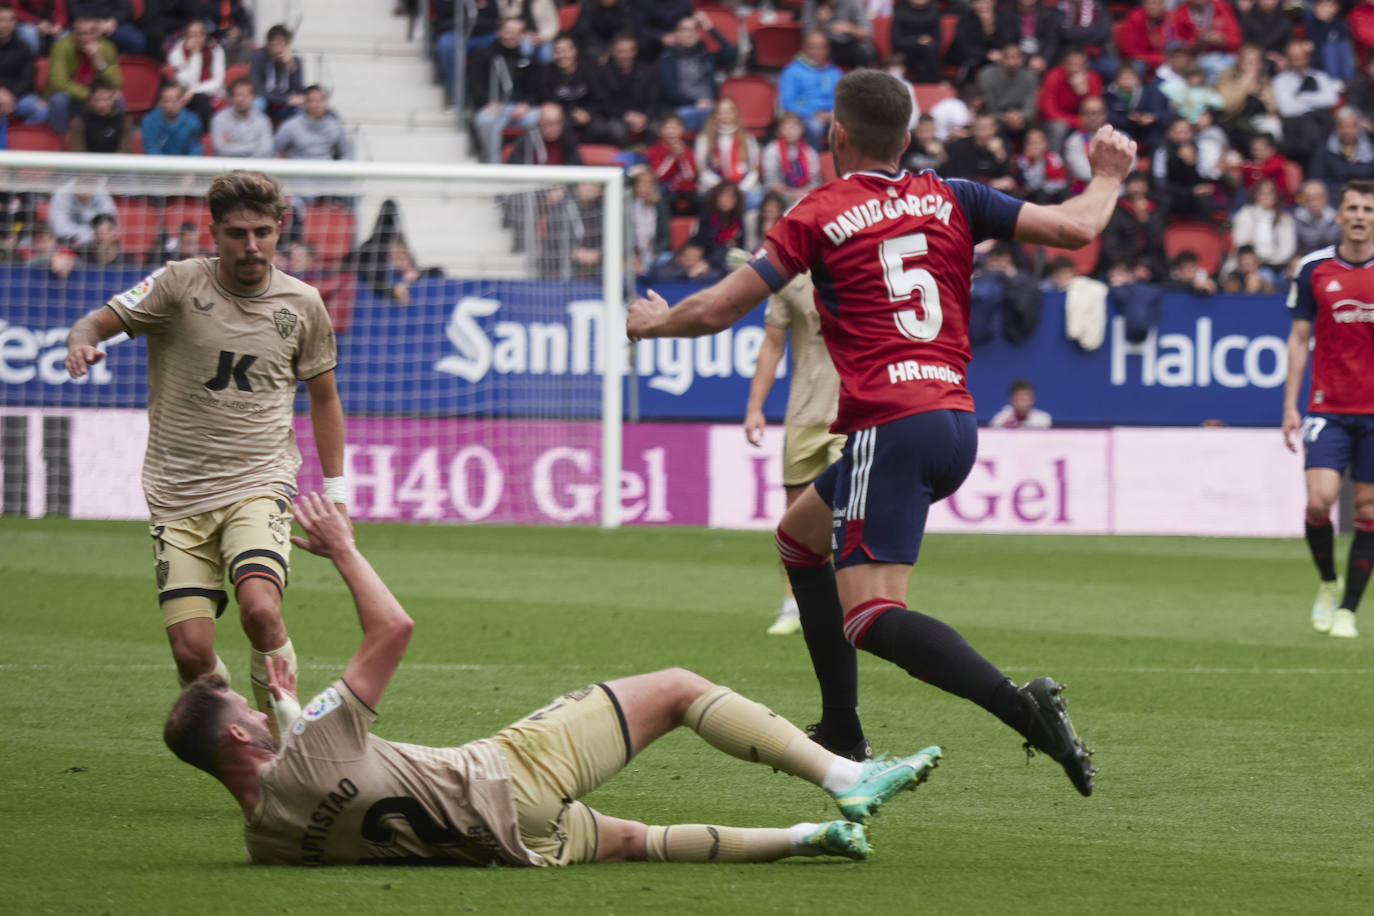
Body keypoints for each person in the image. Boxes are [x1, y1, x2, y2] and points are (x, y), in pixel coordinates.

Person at [626, 69, 1134, 794]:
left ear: (836, 135)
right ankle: (841, 727)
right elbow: (1078, 227)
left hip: (890, 427)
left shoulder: (818, 212)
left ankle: (1028, 712)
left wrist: (653, 322)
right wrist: (1109, 174)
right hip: (954, 420)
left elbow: (715, 309)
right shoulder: (953, 196)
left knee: (869, 615)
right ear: (907, 139)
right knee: (798, 540)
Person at [164, 492, 942, 866]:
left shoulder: (266, 843)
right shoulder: (306, 750)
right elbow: (392, 631)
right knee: (673, 686)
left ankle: (812, 839)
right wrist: (341, 550)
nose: (260, 716)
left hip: (500, 845)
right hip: (506, 773)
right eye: (246, 709)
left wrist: (286, 698)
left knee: (638, 843)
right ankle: (845, 776)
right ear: (239, 733)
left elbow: (307, 765)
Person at [64, 170, 347, 732]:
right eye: (238, 233)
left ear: (279, 230)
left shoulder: (303, 303)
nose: (251, 246)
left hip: (259, 482)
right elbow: (93, 323)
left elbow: (325, 399)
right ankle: (243, 730)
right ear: (213, 233)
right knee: (192, 654)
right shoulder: (177, 284)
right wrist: (81, 345)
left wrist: (336, 496)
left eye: (263, 233)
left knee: (262, 609)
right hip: (178, 495)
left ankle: (283, 740)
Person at [1283, 179, 1374, 640]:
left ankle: (1349, 611)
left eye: (1369, 209)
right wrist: (1289, 406)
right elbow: (1299, 339)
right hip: (1328, 407)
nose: (1360, 216)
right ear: (1339, 214)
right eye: (1353, 208)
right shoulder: (1314, 268)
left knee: (1369, 508)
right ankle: (1327, 583)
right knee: (1319, 502)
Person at [744, 269, 845, 636]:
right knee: (795, 520)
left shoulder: (862, 264)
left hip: (850, 412)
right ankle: (794, 606)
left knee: (847, 513)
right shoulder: (790, 279)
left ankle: (849, 605)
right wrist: (755, 406)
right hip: (803, 415)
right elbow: (772, 344)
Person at [657, 12, 736, 133]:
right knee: (711, 117)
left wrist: (710, 28)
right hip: (684, 108)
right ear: (677, 33)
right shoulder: (667, 58)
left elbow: (731, 54)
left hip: (710, 107)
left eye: (695, 29)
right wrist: (696, 103)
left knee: (724, 114)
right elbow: (670, 91)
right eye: (685, 29)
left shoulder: (705, 54)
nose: (691, 33)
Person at [44, 15, 122, 137]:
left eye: (90, 33)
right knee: (59, 100)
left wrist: (99, 62)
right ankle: (60, 141)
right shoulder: (61, 47)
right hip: (71, 95)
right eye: (80, 33)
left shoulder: (107, 48)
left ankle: (110, 139)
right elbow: (58, 83)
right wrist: (90, 96)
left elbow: (116, 83)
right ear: (73, 34)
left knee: (119, 99)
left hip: (96, 96)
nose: (85, 38)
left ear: (98, 34)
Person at [779, 30, 843, 151]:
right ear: (804, 49)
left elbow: (843, 99)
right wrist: (813, 113)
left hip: (832, 117)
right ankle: (815, 164)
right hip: (806, 117)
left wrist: (834, 113)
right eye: (813, 48)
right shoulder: (792, 72)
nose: (818, 52)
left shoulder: (835, 72)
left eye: (822, 48)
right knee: (814, 126)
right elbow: (788, 102)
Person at [165, 18, 226, 133]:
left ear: (205, 36)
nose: (197, 39)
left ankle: (205, 137)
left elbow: (217, 82)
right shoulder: (176, 53)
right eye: (192, 35)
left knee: (202, 101)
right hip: (183, 93)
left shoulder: (215, 50)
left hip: (208, 92)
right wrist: (195, 55)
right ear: (185, 37)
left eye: (200, 34)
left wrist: (194, 91)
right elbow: (186, 82)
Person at [0, 4, 48, 127]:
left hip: (17, 97)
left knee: (42, 111)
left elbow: (27, 80)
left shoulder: (24, 48)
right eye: (0, 20)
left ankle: (15, 140)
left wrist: (10, 96)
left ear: (14, 23)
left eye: (7, 21)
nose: (3, 25)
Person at [273, 86, 351, 161]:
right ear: (304, 103)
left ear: (325, 102)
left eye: (319, 100)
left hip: (327, 173)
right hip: (297, 173)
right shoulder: (290, 126)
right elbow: (274, 150)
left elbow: (346, 153)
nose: (315, 105)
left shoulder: (335, 126)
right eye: (311, 101)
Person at [250, 23, 305, 122]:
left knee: (302, 109)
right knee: (257, 103)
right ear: (268, 44)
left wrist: (291, 68)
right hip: (266, 100)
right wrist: (285, 99)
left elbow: (299, 92)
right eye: (275, 44)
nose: (279, 49)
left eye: (283, 45)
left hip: (285, 104)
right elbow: (257, 88)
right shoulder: (259, 57)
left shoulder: (295, 61)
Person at [211, 77, 274, 158]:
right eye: (238, 95)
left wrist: (231, 147)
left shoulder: (263, 120)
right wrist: (255, 146)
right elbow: (220, 150)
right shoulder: (219, 119)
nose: (241, 99)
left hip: (255, 168)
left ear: (253, 97)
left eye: (245, 95)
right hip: (228, 168)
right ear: (232, 98)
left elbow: (266, 150)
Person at [67, 79, 133, 153]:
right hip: (88, 163)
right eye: (99, 99)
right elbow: (78, 152)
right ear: (90, 100)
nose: (104, 104)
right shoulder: (79, 122)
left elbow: (125, 151)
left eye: (108, 98)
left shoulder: (124, 121)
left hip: (115, 163)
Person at [141, 83, 204, 157]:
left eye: (174, 101)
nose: (170, 105)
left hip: (185, 167)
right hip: (158, 167)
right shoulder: (149, 121)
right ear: (160, 102)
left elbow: (194, 150)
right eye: (166, 101)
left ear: (182, 101)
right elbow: (152, 150)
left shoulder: (193, 121)